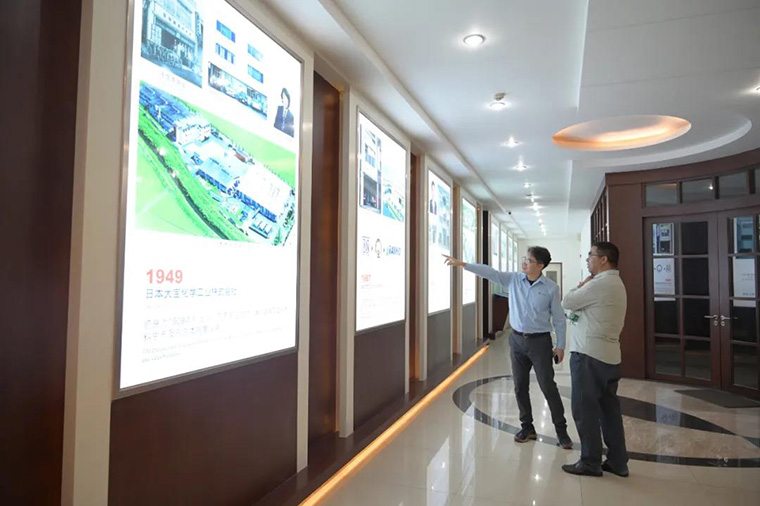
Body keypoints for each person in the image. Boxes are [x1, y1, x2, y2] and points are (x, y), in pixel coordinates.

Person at [444, 247, 573, 449]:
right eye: (524, 259)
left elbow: (558, 319)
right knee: (520, 386)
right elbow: (490, 272)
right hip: (517, 341)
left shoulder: (550, 288)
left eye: (529, 260)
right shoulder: (514, 280)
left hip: (540, 342)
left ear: (540, 266)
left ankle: (562, 432)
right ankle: (527, 427)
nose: (524, 263)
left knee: (547, 386)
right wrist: (463, 264)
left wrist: (561, 346)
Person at [561, 241, 629, 477]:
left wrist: (582, 284)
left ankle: (590, 462)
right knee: (609, 411)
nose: (587, 259)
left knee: (584, 409)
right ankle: (618, 461)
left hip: (589, 355)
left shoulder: (599, 283)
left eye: (590, 255)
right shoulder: (616, 283)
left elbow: (567, 301)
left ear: (603, 259)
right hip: (609, 357)